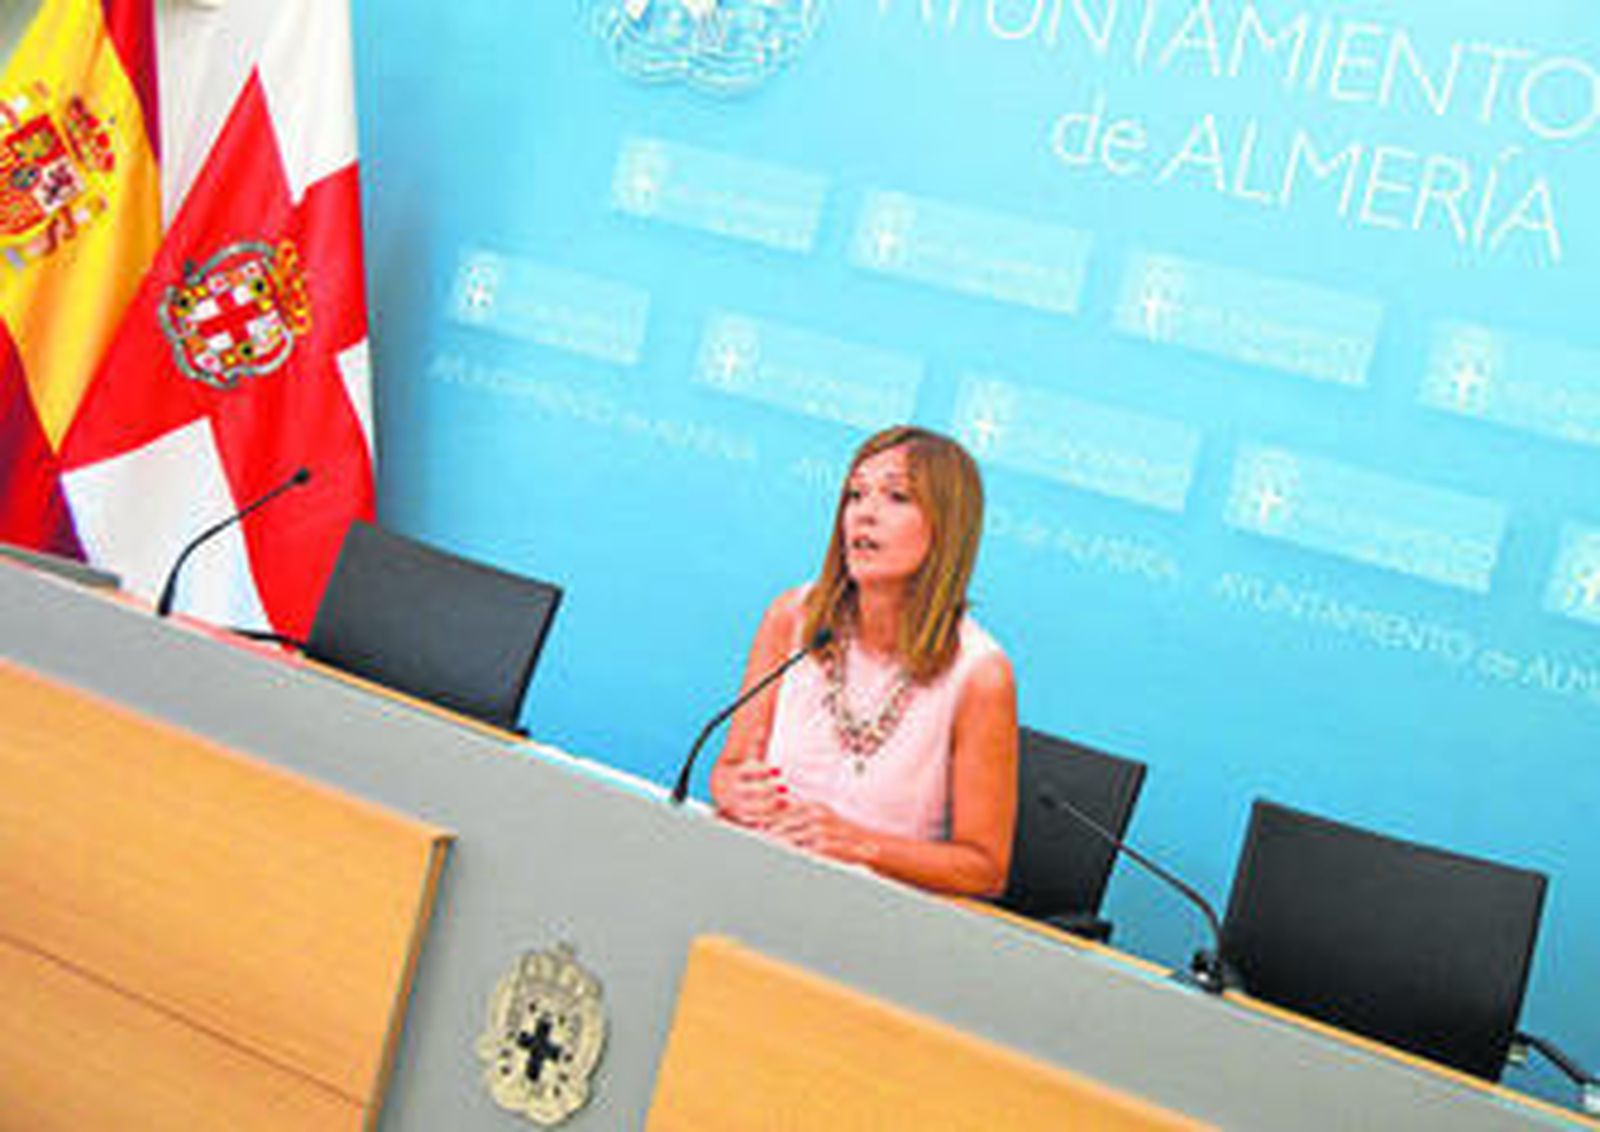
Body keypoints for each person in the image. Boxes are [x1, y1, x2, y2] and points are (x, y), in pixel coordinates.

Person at [709, 425, 1018, 897]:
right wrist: (733, 788)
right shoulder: (793, 617)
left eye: (896, 497)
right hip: (750, 880)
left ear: (947, 526)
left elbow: (984, 868)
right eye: (855, 495)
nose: (864, 515)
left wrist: (861, 845)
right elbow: (729, 770)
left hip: (871, 921)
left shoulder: (980, 674)